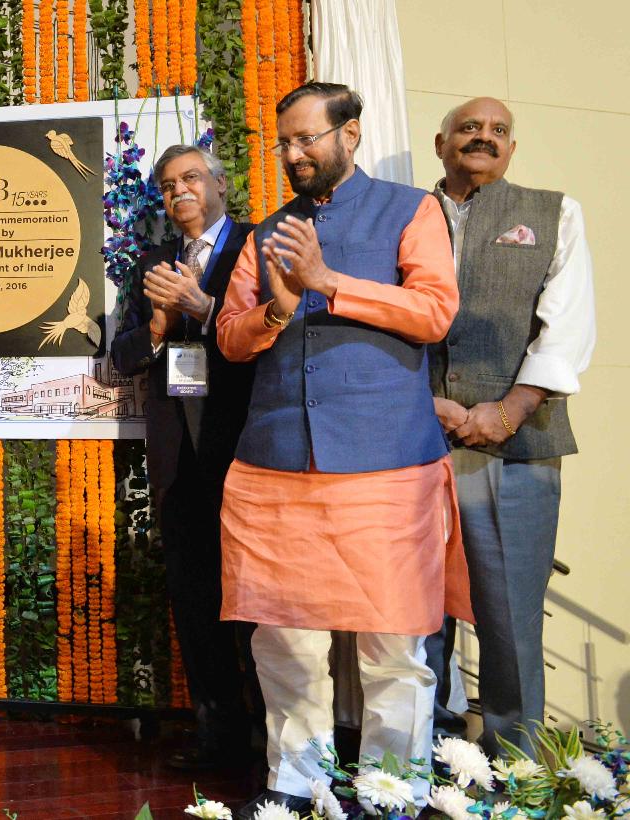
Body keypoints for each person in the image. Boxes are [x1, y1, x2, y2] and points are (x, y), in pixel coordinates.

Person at [214, 83, 472, 816]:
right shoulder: (268, 231)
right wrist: (275, 311)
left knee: (393, 642)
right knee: (283, 637)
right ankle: (297, 782)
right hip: (276, 463)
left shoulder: (409, 210)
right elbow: (230, 337)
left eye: (307, 139)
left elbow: (435, 311)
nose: (293, 154)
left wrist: (330, 283)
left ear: (349, 135)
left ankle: (394, 791)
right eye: (284, 143)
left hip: (387, 461)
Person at [427, 97, 595, 755]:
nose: (484, 137)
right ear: (441, 142)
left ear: (513, 149)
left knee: (510, 615)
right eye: (469, 127)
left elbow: (569, 322)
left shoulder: (553, 212)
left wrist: (510, 409)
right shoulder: (405, 214)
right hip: (413, 440)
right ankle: (420, 760)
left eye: (499, 130)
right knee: (412, 613)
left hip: (517, 443)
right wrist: (423, 404)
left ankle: (515, 765)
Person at [111, 144, 262, 771]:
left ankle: (277, 745)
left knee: (259, 606)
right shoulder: (151, 264)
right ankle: (219, 741)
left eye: (191, 178)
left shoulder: (257, 245)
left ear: (221, 185)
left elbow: (280, 333)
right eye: (169, 185)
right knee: (197, 601)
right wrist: (159, 324)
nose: (180, 192)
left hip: (250, 451)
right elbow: (121, 356)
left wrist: (204, 307)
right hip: (180, 461)